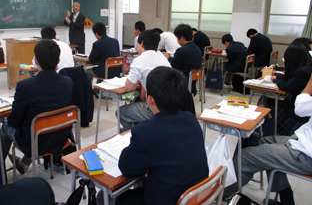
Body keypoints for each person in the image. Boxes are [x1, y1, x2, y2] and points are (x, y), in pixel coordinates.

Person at [99, 67, 208, 205]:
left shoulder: (145, 132)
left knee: (105, 197)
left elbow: (126, 168)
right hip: (194, 197)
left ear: (150, 99)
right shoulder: (192, 120)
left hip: (165, 200)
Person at [224, 73, 312, 205]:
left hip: (306, 155)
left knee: (245, 157)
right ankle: (286, 197)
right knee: (265, 141)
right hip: (304, 141)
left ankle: (221, 193)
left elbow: (300, 107)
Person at [0, 39, 73, 174]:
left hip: (34, 142)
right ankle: (23, 164)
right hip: (60, 137)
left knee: (5, 128)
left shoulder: (25, 86)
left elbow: (14, 121)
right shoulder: (68, 82)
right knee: (39, 125)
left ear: (36, 61)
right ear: (58, 61)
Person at [118, 30, 171, 131]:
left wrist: (137, 81)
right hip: (170, 105)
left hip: (155, 108)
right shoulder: (162, 57)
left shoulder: (139, 61)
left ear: (141, 43)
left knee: (121, 112)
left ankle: (135, 135)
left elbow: (128, 88)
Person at [267, 42, 312, 136]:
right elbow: (291, 80)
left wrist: (275, 81)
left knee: (271, 106)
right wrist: (276, 79)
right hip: (300, 105)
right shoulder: (306, 67)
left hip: (298, 110)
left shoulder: (303, 72)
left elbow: (288, 86)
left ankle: (270, 128)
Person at [164, 24, 202, 94]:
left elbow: (173, 66)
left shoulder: (181, 50)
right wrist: (170, 57)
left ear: (182, 38)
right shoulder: (197, 48)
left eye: (177, 38)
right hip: (192, 83)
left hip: (182, 83)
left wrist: (168, 58)